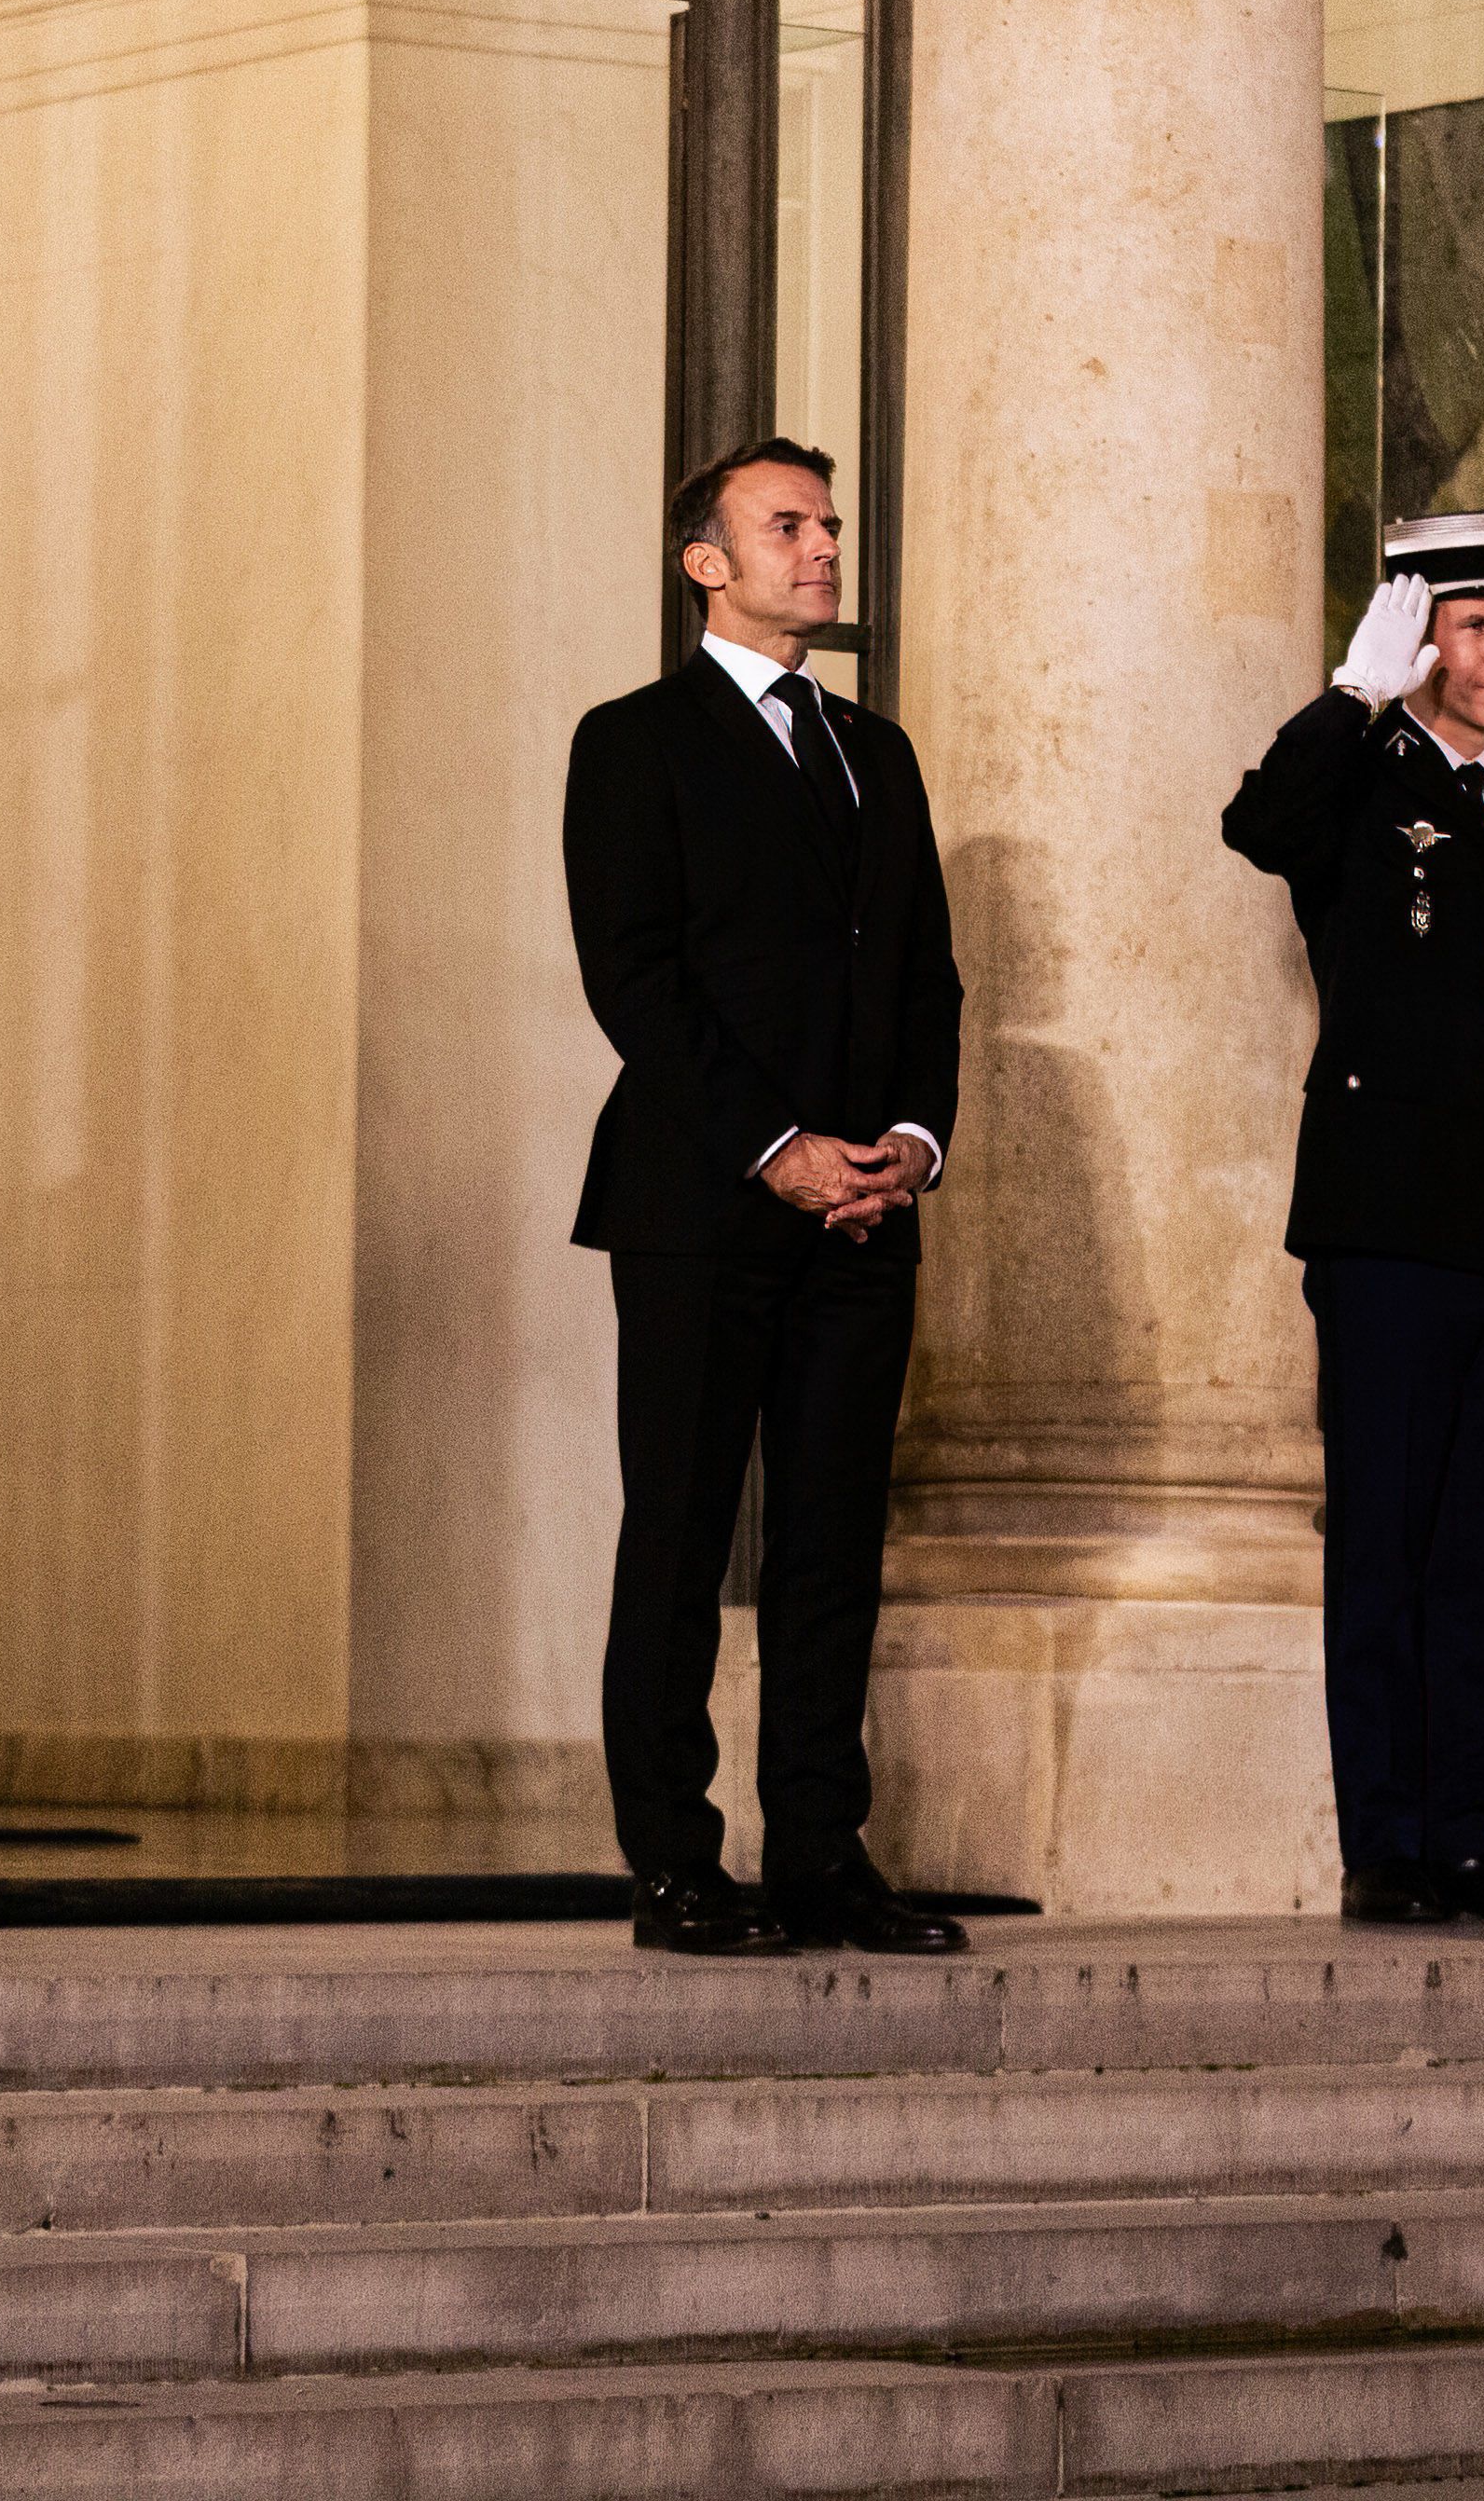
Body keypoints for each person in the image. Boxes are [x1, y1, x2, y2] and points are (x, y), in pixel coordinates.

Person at [561, 435, 966, 1956]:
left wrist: (910, 1144)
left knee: (829, 1543)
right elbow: (638, 984)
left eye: (831, 524)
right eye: (788, 525)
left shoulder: (882, 753)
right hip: (700, 1207)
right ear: (706, 562)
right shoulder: (634, 741)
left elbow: (927, 977)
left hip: (866, 1213)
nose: (822, 547)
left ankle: (820, 1851)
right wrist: (777, 1149)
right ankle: (673, 1858)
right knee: (675, 1534)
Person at [1223, 513, 1484, 1928]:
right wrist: (1351, 694)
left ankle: (1465, 1834)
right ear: (1419, 637)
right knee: (1385, 1546)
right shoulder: (1354, 779)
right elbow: (1255, 827)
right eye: (1476, 628)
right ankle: (1387, 1844)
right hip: (1390, 1231)